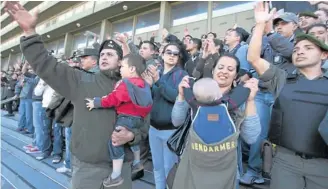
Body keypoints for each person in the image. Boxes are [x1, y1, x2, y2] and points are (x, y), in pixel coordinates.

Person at [4, 2, 148, 188]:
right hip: (86, 169)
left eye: (110, 54)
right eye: (101, 54)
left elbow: (145, 124)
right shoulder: (81, 79)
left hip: (121, 169)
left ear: (121, 60)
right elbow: (47, 65)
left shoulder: (135, 87)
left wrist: (132, 136)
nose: (103, 57)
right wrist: (30, 33)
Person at [248, 2, 328, 189]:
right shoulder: (282, 79)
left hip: (323, 165)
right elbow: (253, 58)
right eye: (296, 49)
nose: (300, 51)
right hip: (286, 162)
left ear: (324, 55)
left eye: (308, 48)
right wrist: (261, 25)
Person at [85, 54, 152, 187]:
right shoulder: (144, 84)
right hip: (139, 119)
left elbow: (114, 99)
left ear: (132, 69)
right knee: (133, 142)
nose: (120, 69)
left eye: (122, 67)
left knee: (115, 142)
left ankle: (115, 175)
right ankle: (137, 163)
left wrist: (97, 102)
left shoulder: (126, 83)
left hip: (126, 118)